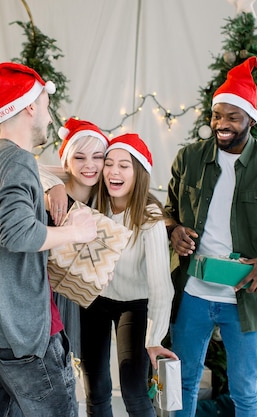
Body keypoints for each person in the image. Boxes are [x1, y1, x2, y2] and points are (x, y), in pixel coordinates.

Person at [165, 56, 257, 417]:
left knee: (245, 390)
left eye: (232, 117)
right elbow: (165, 211)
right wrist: (174, 230)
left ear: (250, 119)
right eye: (217, 116)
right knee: (181, 383)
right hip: (194, 291)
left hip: (247, 294)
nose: (221, 124)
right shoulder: (190, 158)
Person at [0, 62, 98, 417]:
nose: (50, 119)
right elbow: (17, 233)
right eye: (47, 107)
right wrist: (76, 231)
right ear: (31, 107)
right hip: (22, 337)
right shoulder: (19, 162)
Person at [80, 133, 178, 417]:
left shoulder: (149, 218)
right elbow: (58, 175)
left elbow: (161, 287)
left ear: (139, 173)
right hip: (96, 300)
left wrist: (154, 339)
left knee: (134, 390)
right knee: (96, 389)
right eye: (108, 163)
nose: (113, 171)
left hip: (134, 305)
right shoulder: (95, 202)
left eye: (124, 165)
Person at [46, 117, 110, 357]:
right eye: (79, 157)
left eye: (97, 157)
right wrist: (55, 185)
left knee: (92, 373)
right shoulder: (52, 202)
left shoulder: (106, 200)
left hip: (95, 300)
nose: (89, 165)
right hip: (55, 298)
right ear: (66, 162)